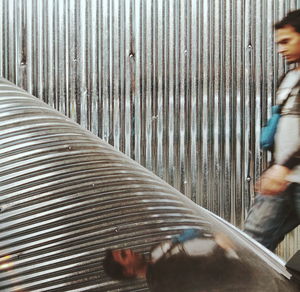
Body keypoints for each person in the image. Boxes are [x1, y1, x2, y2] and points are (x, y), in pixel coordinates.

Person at [244, 10, 300, 251]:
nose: (280, 49)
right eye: (278, 43)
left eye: (286, 41)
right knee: (251, 244)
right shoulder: (288, 78)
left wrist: (284, 166)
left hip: (286, 173)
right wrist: (274, 169)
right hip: (283, 180)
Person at [103, 229, 252, 292]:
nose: (129, 251)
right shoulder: (162, 282)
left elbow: (187, 236)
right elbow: (205, 277)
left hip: (236, 252)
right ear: (128, 271)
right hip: (239, 270)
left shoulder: (155, 252)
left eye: (124, 250)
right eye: (124, 256)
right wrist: (221, 248)